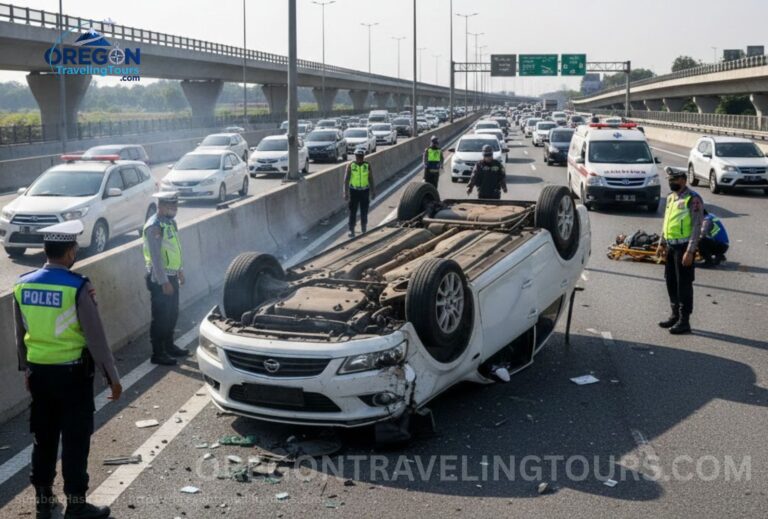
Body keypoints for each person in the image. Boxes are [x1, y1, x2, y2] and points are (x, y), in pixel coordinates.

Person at [13, 220, 120, 519]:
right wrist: (112, 377)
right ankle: (75, 504)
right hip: (73, 377)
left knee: (43, 437)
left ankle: (43, 499)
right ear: (71, 251)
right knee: (74, 440)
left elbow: (20, 335)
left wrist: (26, 371)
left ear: (45, 250)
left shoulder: (22, 284)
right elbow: (95, 338)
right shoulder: (78, 286)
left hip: (38, 375)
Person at [143, 192, 189, 366]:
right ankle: (158, 353)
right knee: (161, 317)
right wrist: (164, 282)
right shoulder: (154, 226)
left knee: (172, 313)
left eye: (176, 207)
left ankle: (169, 346)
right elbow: (155, 258)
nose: (174, 210)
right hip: (158, 278)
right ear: (160, 206)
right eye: (171, 207)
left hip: (172, 274)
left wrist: (180, 270)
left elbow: (175, 248)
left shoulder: (171, 223)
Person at [657, 167, 704, 334]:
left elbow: (697, 226)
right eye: (670, 180)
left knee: (684, 284)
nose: (671, 183)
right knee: (670, 281)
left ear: (684, 180)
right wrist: (661, 243)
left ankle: (685, 320)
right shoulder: (671, 198)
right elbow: (667, 222)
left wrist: (690, 251)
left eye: (675, 180)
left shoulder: (693, 199)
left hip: (684, 247)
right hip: (671, 246)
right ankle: (674, 315)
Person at [343, 147, 376, 238]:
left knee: (364, 211)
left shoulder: (367, 165)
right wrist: (345, 192)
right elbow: (346, 180)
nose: (359, 158)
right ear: (355, 156)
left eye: (361, 156)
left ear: (363, 156)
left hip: (365, 191)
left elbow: (371, 178)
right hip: (354, 191)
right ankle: (351, 229)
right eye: (358, 156)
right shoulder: (351, 165)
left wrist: (373, 191)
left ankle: (364, 228)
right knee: (352, 211)